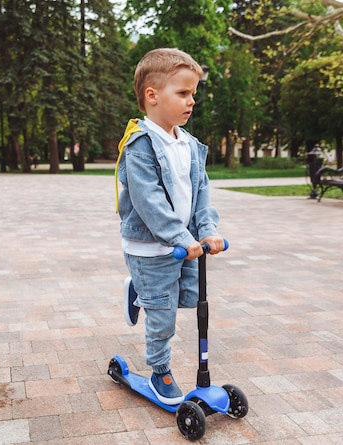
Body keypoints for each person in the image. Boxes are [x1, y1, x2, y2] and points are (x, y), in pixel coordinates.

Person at [114, 48, 225, 405]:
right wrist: (181, 236)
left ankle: (139, 291)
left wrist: (206, 230)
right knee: (163, 317)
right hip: (151, 248)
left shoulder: (190, 145)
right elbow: (149, 203)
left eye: (193, 94)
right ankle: (160, 368)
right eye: (183, 93)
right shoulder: (141, 146)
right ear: (152, 95)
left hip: (185, 245)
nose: (191, 101)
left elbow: (202, 192)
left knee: (189, 299)